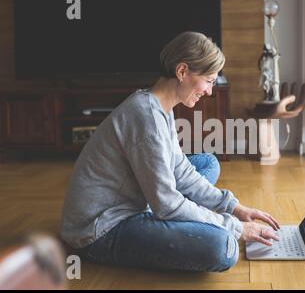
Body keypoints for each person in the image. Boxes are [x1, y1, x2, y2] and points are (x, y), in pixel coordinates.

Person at [60, 31, 280, 272]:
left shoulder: (160, 107)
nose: (209, 91)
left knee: (207, 162)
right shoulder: (147, 118)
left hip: (141, 201)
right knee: (223, 247)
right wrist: (234, 227)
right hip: (101, 229)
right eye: (208, 80)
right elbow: (166, 203)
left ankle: (189, 216)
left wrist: (234, 208)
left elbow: (181, 171)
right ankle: (192, 218)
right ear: (182, 71)